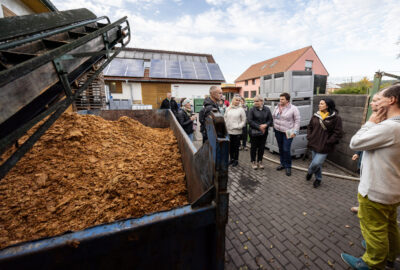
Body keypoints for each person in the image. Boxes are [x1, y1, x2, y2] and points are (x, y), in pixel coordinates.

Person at [341, 84, 400, 270]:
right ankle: (390, 255)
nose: (375, 103)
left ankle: (371, 262)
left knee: (374, 229)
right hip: (392, 189)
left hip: (376, 191)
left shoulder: (390, 127)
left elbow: (355, 142)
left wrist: (371, 121)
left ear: (391, 100)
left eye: (379, 98)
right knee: (389, 226)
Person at [350, 92, 382, 213]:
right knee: (363, 182)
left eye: (376, 100)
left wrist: (369, 124)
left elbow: (356, 142)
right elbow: (365, 140)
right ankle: (362, 206)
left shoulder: (384, 123)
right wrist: (358, 153)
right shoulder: (375, 117)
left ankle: (366, 208)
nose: (371, 103)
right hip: (366, 159)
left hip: (377, 168)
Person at [305, 98, 343, 188]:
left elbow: (338, 132)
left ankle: (310, 172)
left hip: (325, 145)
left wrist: (329, 141)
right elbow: (309, 127)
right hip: (314, 143)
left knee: (316, 163)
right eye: (319, 103)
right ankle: (318, 178)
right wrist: (309, 136)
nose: (319, 105)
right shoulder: (315, 116)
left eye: (321, 104)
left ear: (327, 106)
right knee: (317, 164)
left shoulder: (336, 118)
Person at [272, 92, 300, 176]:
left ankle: (288, 166)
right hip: (278, 130)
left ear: (287, 100)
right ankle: (282, 164)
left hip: (289, 131)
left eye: (282, 99)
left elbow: (297, 121)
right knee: (281, 148)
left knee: (286, 149)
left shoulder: (293, 108)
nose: (280, 100)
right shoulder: (277, 107)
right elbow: (273, 116)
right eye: (280, 99)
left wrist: (295, 131)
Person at [248, 95, 273, 169]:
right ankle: (253, 161)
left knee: (262, 147)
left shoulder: (267, 109)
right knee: (253, 147)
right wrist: (259, 127)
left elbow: (270, 120)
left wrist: (265, 125)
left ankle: (260, 161)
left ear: (261, 101)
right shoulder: (252, 109)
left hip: (264, 132)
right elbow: (249, 121)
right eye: (254, 101)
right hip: (254, 133)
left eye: (257, 101)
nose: (255, 103)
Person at [224, 95, 246, 167]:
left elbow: (244, 120)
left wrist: (239, 126)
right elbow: (225, 117)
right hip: (229, 131)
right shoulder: (228, 108)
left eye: (239, 100)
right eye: (236, 100)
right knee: (230, 147)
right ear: (233, 100)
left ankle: (236, 160)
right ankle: (231, 159)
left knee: (236, 147)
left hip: (237, 131)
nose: (237, 101)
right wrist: (225, 126)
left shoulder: (241, 109)